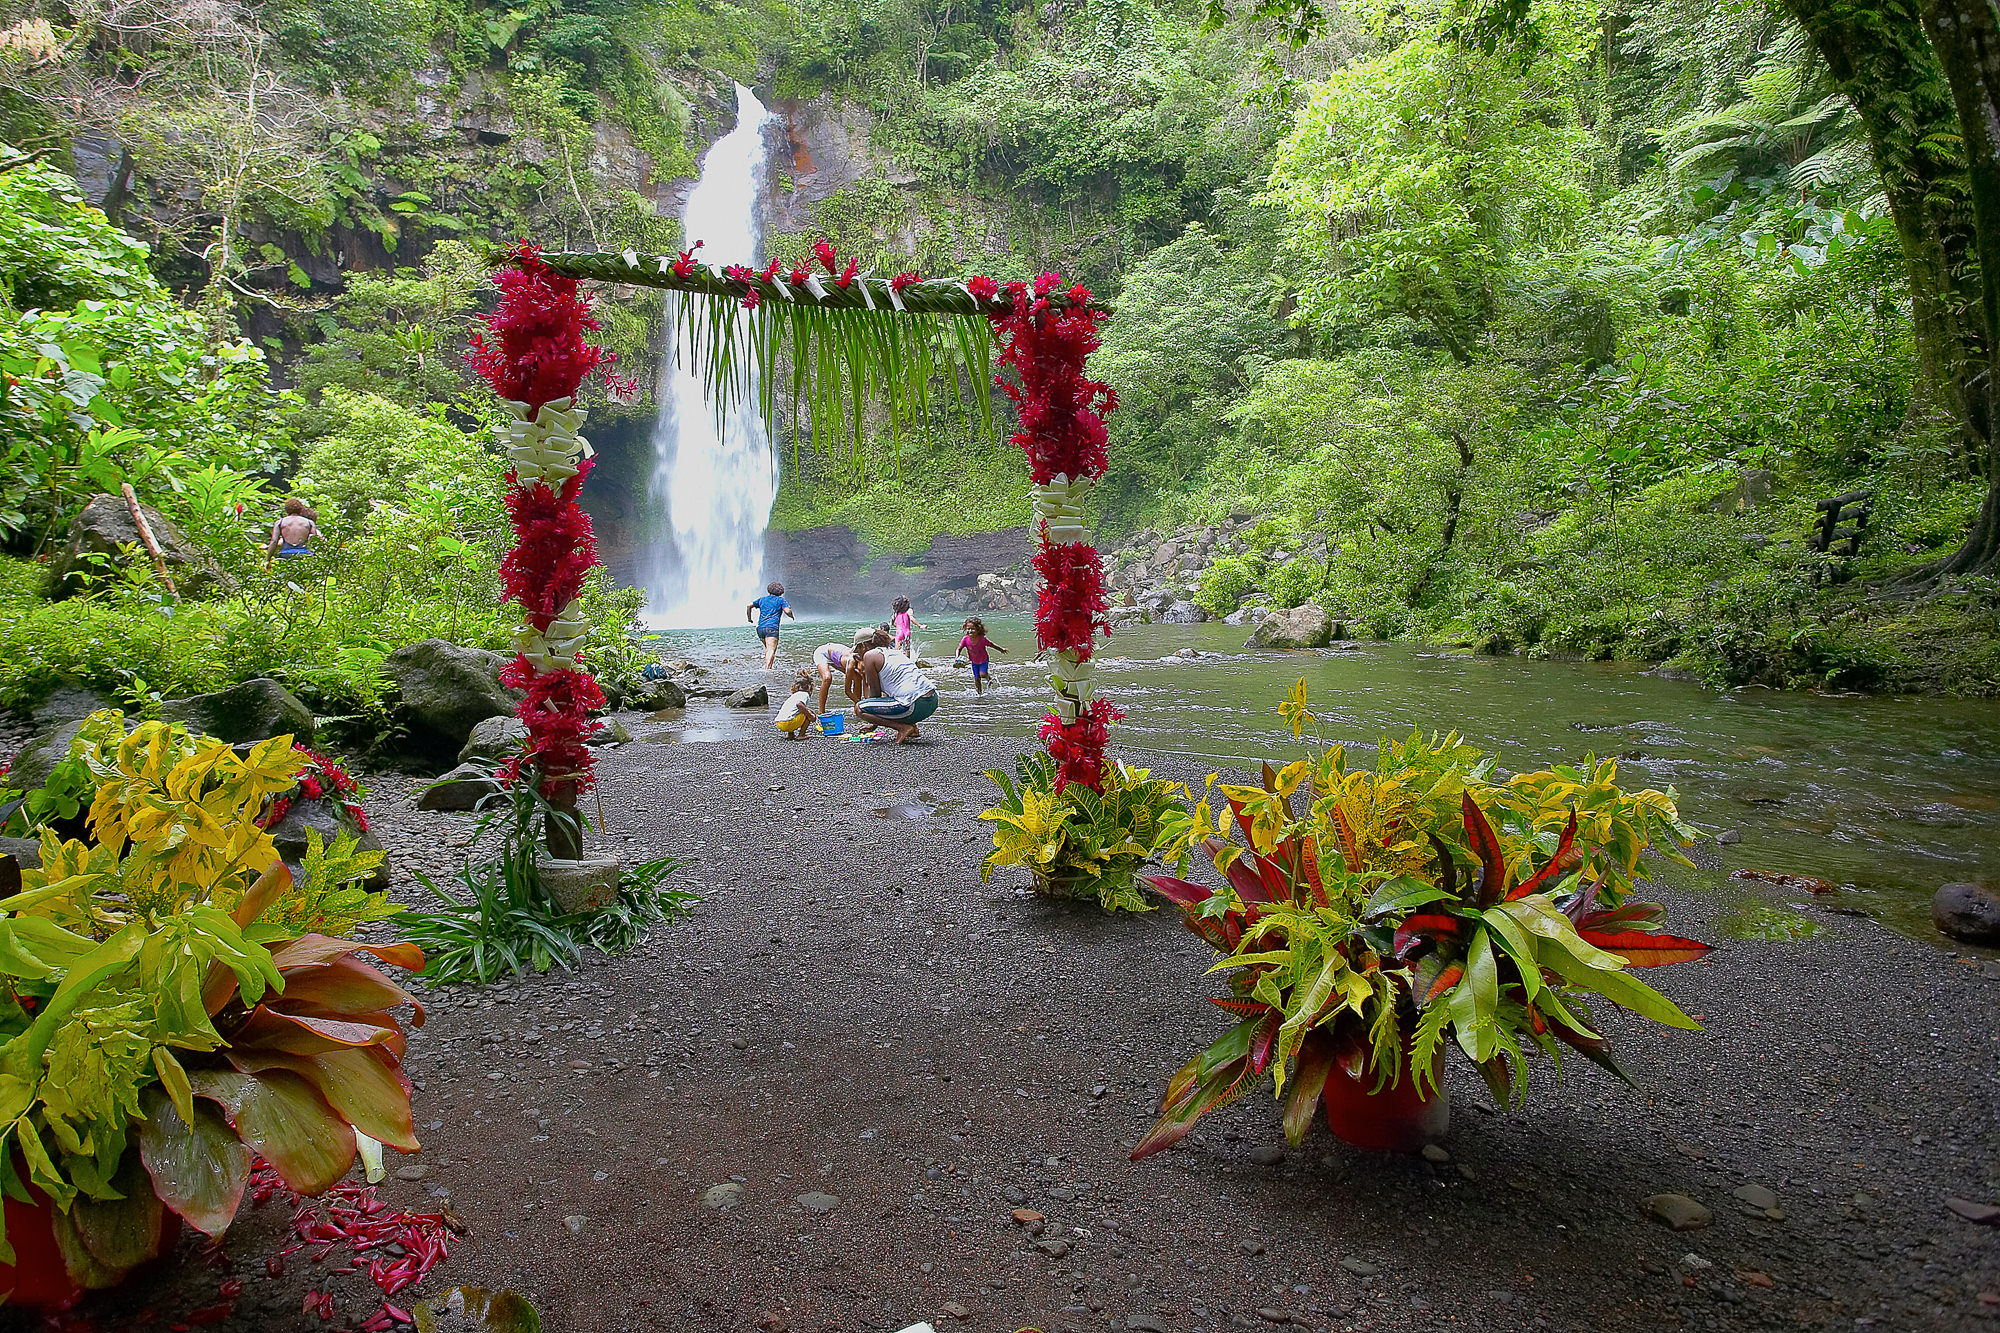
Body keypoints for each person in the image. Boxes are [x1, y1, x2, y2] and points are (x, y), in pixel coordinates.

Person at [856, 627, 939, 744]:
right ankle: (913, 729)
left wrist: (873, 722)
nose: (858, 653)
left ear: (863, 646)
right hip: (932, 701)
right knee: (899, 696)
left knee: (859, 708)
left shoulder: (870, 655)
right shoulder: (894, 652)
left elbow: (875, 691)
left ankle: (903, 728)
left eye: (857, 649)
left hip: (915, 706)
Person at [745, 581, 793, 669]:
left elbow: (749, 606)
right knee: (771, 649)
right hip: (772, 628)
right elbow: (787, 611)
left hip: (760, 629)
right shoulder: (780, 600)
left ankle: (769, 667)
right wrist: (791, 616)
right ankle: (767, 670)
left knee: (768, 648)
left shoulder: (762, 599)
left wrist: (749, 618)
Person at [957, 616, 1007, 695]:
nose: (970, 631)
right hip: (974, 661)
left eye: (973, 629)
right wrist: (957, 657)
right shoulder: (965, 639)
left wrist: (1001, 649)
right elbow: (959, 649)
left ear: (978, 629)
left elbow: (992, 645)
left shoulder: (982, 639)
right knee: (977, 678)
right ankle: (979, 694)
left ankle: (988, 678)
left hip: (983, 660)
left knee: (982, 674)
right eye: (968, 629)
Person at [267, 497, 322, 564]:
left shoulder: (280, 522)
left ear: (287, 510)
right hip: (303, 553)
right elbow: (313, 541)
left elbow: (274, 541)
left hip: (285, 553)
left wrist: (268, 559)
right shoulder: (309, 522)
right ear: (300, 509)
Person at [774, 671, 817, 738]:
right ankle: (801, 735)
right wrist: (810, 715)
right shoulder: (805, 694)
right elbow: (799, 704)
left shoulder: (794, 695)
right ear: (809, 687)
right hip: (788, 723)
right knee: (807, 713)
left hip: (779, 723)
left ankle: (790, 734)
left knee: (794, 712)